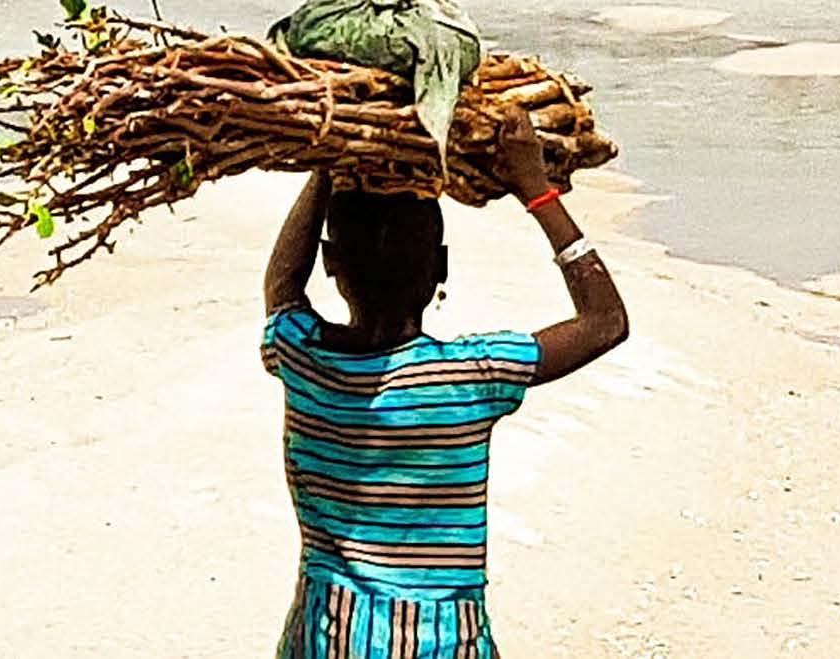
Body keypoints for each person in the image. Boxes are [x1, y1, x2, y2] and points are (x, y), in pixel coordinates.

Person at [260, 117, 628, 659]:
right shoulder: (474, 374)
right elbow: (605, 321)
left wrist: (325, 166)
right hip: (445, 643)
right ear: (441, 268)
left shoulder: (302, 356)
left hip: (327, 638)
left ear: (331, 263)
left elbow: (282, 286)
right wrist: (537, 190)